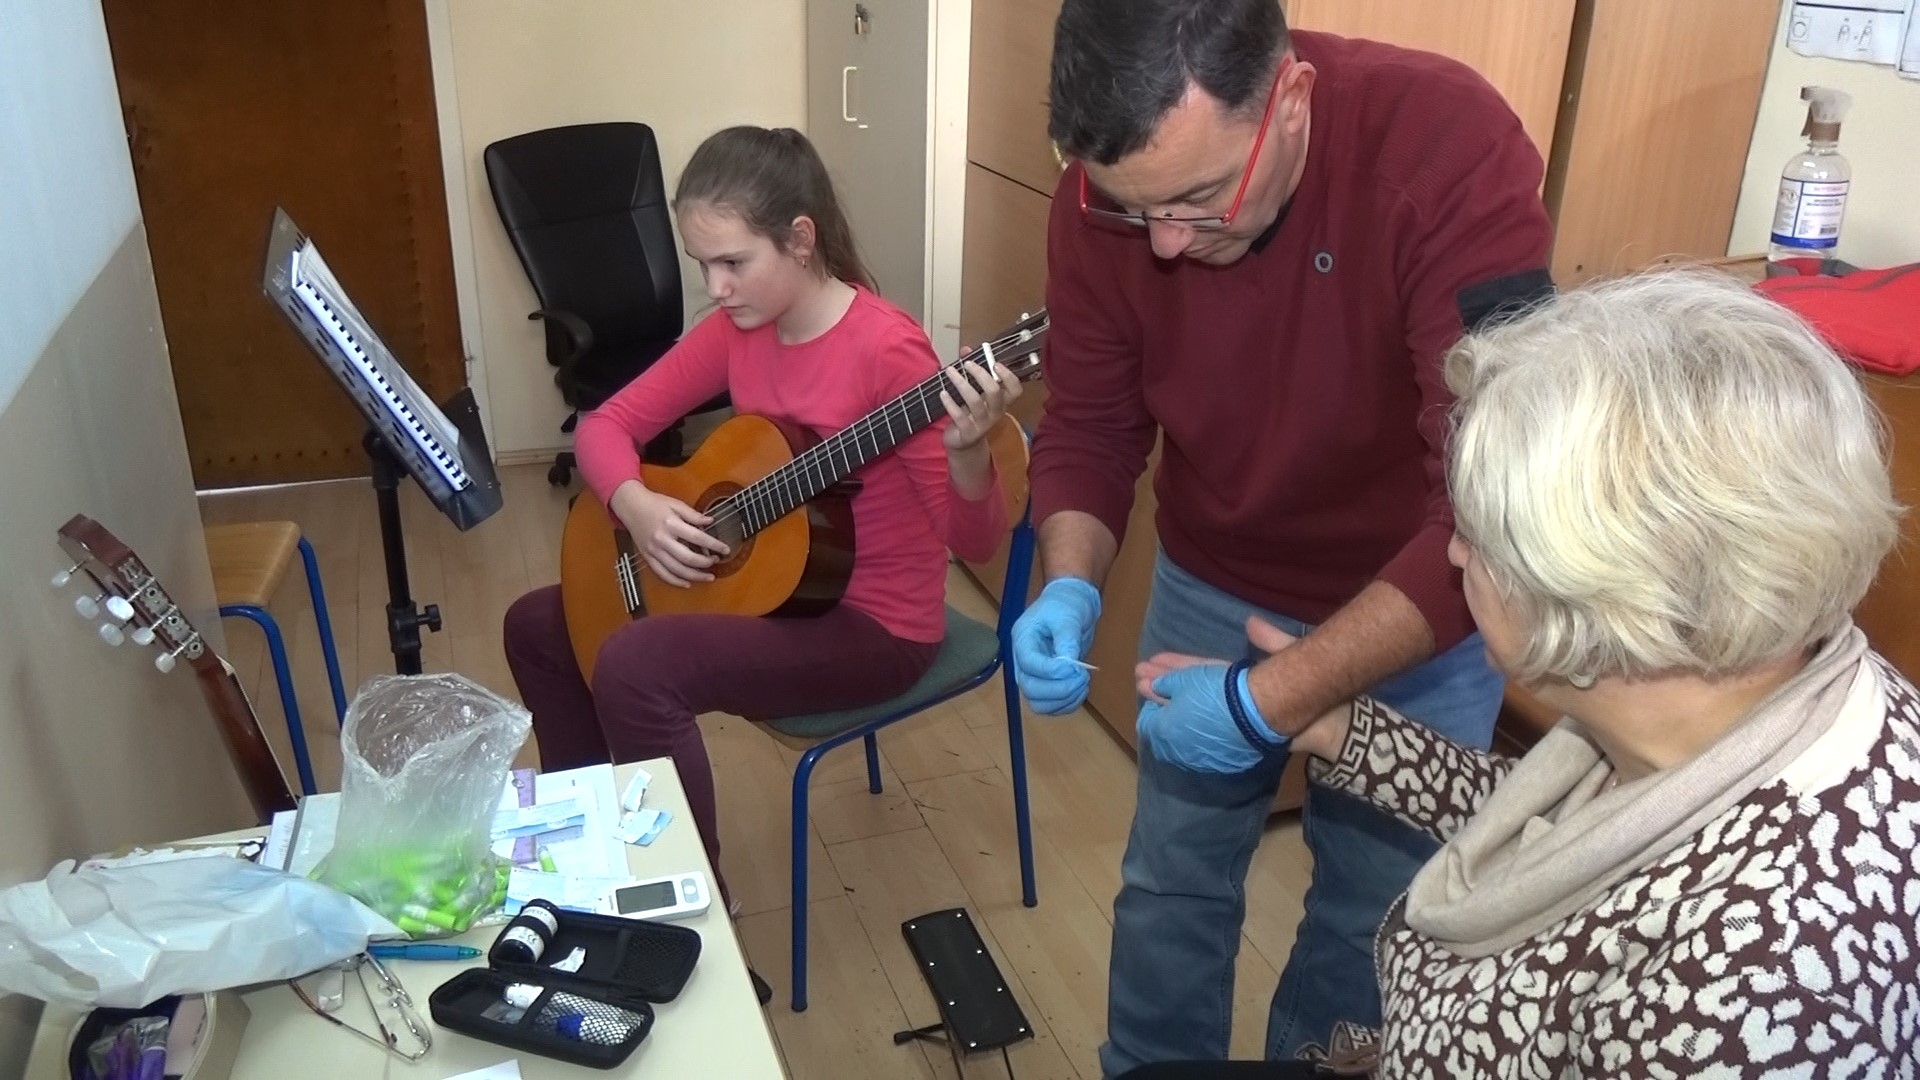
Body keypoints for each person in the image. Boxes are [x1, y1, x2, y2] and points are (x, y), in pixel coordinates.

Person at [1119, 270, 1917, 1075]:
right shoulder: (1742, 700)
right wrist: (1335, 726)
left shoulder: (1752, 994)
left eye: (1476, 535)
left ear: (1599, 592)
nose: (1452, 553)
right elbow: (1548, 823)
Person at [1013, 0, 1555, 1070]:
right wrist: (1069, 580)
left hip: (1425, 596)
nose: (1165, 241)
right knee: (1171, 883)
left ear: (1291, 98)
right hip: (1211, 574)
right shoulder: (1106, 193)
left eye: (1199, 200)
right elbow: (1091, 422)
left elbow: (1492, 506)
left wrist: (1274, 697)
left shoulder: (1446, 148)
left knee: (1375, 917)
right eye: (1133, 210)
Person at [503, 125, 1020, 892]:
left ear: (800, 240)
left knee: (637, 667)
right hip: (774, 586)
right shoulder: (737, 330)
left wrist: (969, 453)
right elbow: (604, 426)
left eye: (733, 263)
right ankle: (577, 854)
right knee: (536, 626)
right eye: (701, 265)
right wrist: (638, 506)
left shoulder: (886, 353)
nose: (715, 287)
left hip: (875, 626)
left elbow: (975, 541)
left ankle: (688, 899)